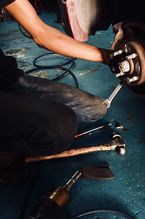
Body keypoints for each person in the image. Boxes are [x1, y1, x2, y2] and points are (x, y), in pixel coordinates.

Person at [0, 0, 111, 184]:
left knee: (94, 109)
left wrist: (110, 57)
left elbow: (42, 33)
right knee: (61, 127)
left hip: (7, 78)